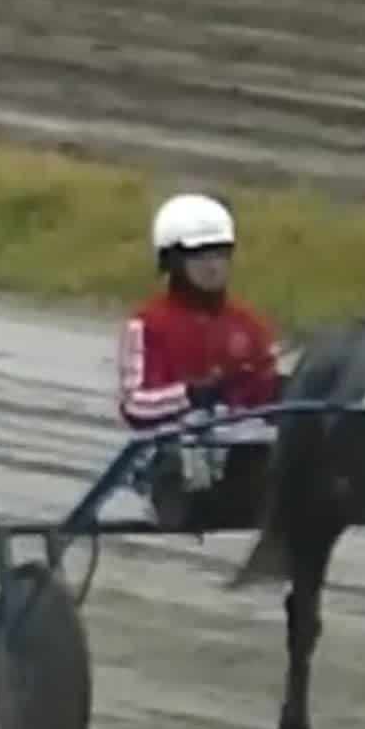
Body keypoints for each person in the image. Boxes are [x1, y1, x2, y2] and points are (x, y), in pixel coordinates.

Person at [116, 191, 285, 528]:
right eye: (200, 256)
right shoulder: (147, 323)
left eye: (221, 255)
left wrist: (280, 389)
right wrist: (190, 395)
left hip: (241, 452)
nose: (213, 265)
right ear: (174, 261)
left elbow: (262, 396)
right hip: (172, 459)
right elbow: (134, 405)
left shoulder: (249, 323)